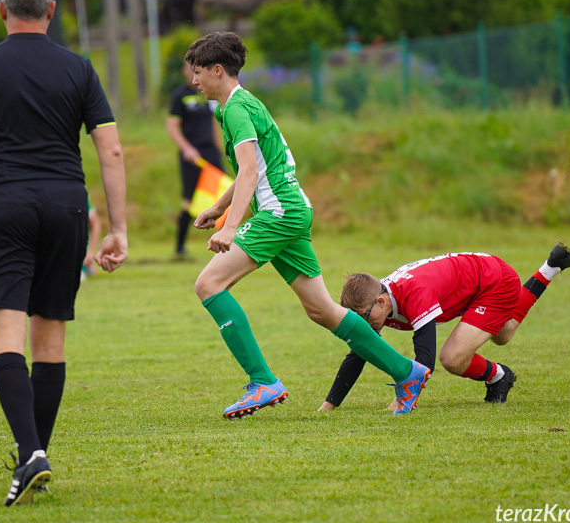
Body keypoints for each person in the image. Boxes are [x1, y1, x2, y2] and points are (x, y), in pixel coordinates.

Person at [0, 0, 128, 507]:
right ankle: (34, 453)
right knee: (50, 341)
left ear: (1, 10)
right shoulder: (79, 68)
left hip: (5, 208)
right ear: (51, 11)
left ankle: (31, 453)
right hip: (67, 206)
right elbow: (111, 150)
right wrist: (116, 229)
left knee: (8, 337)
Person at [186, 32, 431, 420]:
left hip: (279, 213)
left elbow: (250, 171)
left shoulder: (235, 109)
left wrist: (230, 227)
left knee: (208, 284)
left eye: (198, 72)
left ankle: (262, 380)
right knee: (322, 310)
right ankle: (407, 372)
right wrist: (218, 207)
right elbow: (256, 168)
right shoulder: (233, 107)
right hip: (292, 210)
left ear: (218, 70)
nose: (193, 80)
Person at [317, 244, 570, 412]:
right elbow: (361, 350)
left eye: (364, 317)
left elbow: (424, 363)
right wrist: (330, 405)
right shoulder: (378, 302)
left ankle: (499, 376)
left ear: (380, 300)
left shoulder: (414, 294)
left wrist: (403, 399)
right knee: (503, 333)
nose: (364, 324)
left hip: (495, 281)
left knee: (454, 357)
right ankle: (551, 266)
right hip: (472, 283)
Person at [166, 61, 224, 259]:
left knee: (223, 196)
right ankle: (180, 248)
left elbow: (213, 123)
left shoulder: (207, 94)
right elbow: (172, 126)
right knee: (189, 201)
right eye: (190, 70)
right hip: (192, 157)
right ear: (184, 71)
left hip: (211, 153)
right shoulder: (180, 95)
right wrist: (187, 149)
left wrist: (220, 149)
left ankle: (224, 243)